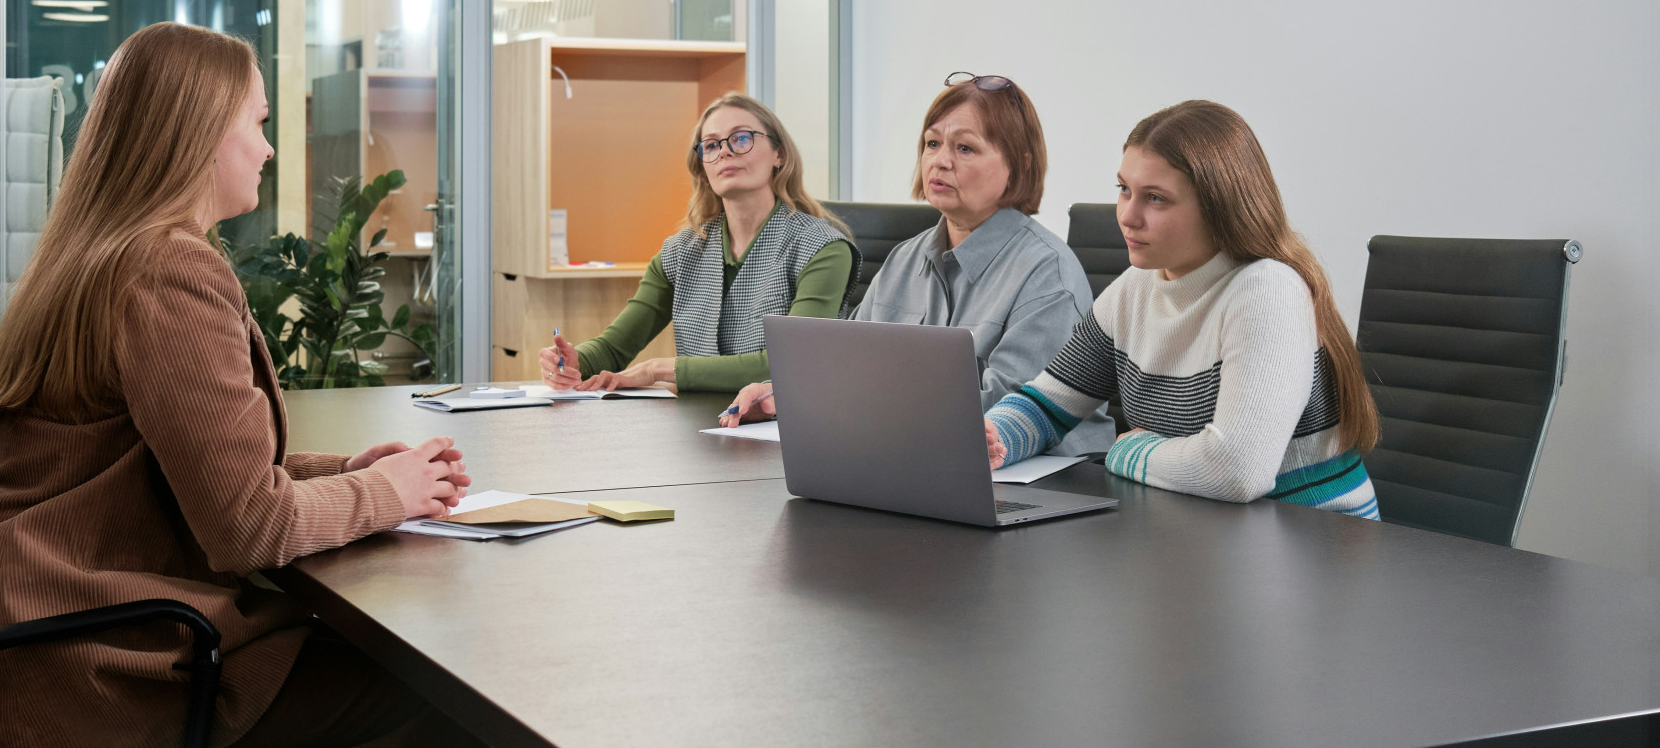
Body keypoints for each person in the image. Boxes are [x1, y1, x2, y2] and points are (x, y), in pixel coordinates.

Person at [0, 22, 477, 748]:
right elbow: (248, 528)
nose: (267, 149)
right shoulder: (170, 269)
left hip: (16, 644)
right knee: (443, 688)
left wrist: (341, 473)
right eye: (258, 122)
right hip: (90, 672)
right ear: (200, 132)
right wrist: (387, 494)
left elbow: (161, 466)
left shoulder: (106, 253)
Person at [982, 100, 1380, 517]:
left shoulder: (1268, 290)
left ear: (1219, 207)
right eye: (1124, 190)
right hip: (1208, 531)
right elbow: (1047, 405)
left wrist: (1127, 450)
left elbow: (1237, 470)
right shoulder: (1135, 288)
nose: (1128, 216)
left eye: (1156, 198)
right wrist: (992, 437)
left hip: (1315, 539)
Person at [720, 72, 1112, 456]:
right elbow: (847, 366)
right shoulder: (905, 258)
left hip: (1042, 480)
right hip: (911, 456)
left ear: (1019, 165)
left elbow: (1008, 410)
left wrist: (862, 403)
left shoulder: (1046, 273)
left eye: (965, 148)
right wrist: (785, 395)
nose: (939, 161)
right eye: (932, 143)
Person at [539, 92, 859, 395]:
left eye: (741, 138)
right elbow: (614, 347)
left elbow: (792, 362)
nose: (725, 151)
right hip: (696, 423)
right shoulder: (681, 252)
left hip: (781, 426)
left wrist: (660, 369)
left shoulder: (823, 247)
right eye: (711, 145)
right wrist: (573, 361)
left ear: (780, 154)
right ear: (704, 167)